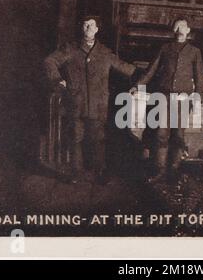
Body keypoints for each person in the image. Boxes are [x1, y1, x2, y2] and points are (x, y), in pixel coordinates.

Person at [44, 16, 136, 183]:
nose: (88, 28)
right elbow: (50, 61)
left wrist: (147, 77)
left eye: (91, 25)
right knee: (75, 137)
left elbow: (126, 69)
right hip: (76, 101)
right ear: (82, 28)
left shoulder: (105, 53)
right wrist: (58, 80)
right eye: (85, 24)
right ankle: (76, 174)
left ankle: (98, 173)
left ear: (97, 29)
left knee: (98, 139)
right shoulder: (70, 49)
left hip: (98, 104)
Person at [130, 18, 203, 183]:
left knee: (178, 135)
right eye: (176, 27)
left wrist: (197, 97)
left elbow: (199, 77)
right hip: (164, 97)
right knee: (161, 134)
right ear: (173, 30)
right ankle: (160, 170)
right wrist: (138, 85)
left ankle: (174, 171)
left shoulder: (194, 52)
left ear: (188, 30)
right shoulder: (165, 48)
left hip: (184, 99)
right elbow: (152, 70)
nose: (179, 30)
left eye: (183, 27)